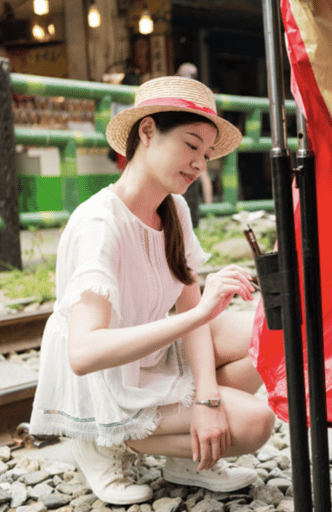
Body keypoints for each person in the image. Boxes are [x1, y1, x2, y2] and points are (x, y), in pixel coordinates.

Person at [29, 76, 275, 505]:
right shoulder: (100, 224)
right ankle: (109, 443)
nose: (200, 164)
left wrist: (207, 400)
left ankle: (186, 456)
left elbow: (190, 310)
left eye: (206, 153)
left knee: (272, 330)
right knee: (256, 424)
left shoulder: (173, 208)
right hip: (106, 380)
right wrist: (199, 315)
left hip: (149, 353)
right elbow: (84, 354)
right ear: (146, 132)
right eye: (190, 144)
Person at [174, 62, 215, 205]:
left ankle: (208, 208)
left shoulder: (175, 90)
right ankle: (209, 208)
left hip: (182, 138)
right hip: (194, 137)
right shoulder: (197, 94)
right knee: (201, 170)